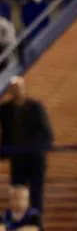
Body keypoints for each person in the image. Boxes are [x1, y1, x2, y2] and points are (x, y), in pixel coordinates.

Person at [0, 76, 53, 212]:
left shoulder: (36, 107)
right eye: (13, 88)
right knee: (16, 195)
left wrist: (39, 148)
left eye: (19, 88)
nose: (16, 91)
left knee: (36, 195)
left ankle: (36, 229)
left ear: (24, 89)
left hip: (35, 159)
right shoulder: (5, 109)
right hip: (17, 159)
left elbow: (47, 132)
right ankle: (18, 225)